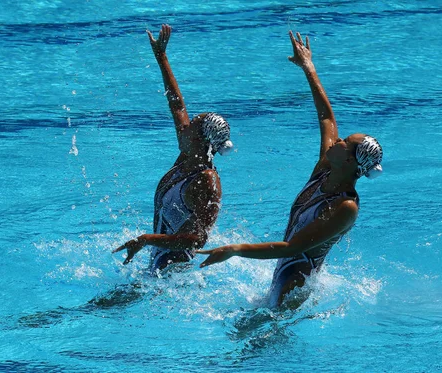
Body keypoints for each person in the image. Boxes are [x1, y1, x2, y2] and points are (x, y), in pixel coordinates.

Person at [197, 31, 383, 309]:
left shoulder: (346, 207)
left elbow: (294, 247)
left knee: (254, 342)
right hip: (283, 272)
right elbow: (326, 117)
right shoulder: (325, 169)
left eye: (345, 143)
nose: (339, 140)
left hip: (295, 283)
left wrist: (235, 250)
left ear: (352, 163)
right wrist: (309, 67)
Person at [113, 24, 233, 274]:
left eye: (192, 126)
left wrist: (147, 239)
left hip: (176, 269)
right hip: (160, 261)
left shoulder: (206, 181)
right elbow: (177, 106)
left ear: (201, 140)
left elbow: (197, 240)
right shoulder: (189, 157)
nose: (184, 126)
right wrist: (161, 56)